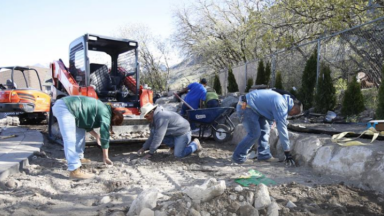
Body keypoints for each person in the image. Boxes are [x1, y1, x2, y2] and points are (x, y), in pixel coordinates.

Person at [52, 95, 124, 179]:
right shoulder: (105, 113)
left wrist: (96, 136)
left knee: (80, 133)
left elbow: (85, 124)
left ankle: (78, 158)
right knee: (70, 139)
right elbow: (105, 135)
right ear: (113, 119)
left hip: (69, 108)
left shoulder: (103, 108)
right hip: (65, 108)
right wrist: (106, 157)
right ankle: (74, 170)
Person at [232, 89, 302, 166]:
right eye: (293, 114)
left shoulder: (281, 100)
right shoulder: (281, 105)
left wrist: (269, 127)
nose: (291, 115)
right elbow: (282, 129)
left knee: (265, 130)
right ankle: (238, 157)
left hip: (254, 108)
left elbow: (270, 119)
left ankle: (264, 155)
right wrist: (287, 151)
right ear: (294, 110)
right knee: (254, 134)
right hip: (246, 107)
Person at [137, 103, 202, 159]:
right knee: (155, 132)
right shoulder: (154, 119)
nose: (146, 118)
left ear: (151, 112)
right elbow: (152, 136)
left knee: (178, 155)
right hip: (173, 132)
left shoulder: (161, 117)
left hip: (183, 133)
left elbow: (159, 137)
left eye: (146, 116)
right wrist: (143, 148)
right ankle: (174, 147)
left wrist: (150, 153)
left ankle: (195, 144)